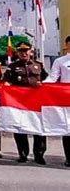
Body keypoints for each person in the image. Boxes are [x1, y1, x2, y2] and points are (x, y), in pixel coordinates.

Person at [3, 41, 49, 165]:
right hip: (19, 103)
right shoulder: (12, 67)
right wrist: (7, 86)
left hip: (36, 103)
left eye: (26, 50)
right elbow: (6, 81)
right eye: (21, 51)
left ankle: (39, 155)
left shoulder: (38, 65)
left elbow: (48, 80)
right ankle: (23, 154)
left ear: (30, 51)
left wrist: (43, 84)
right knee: (20, 128)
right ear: (17, 52)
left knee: (39, 129)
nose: (24, 53)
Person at [43, 35, 70, 167]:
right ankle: (69, 157)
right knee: (67, 129)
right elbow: (53, 78)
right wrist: (43, 85)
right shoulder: (60, 61)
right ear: (66, 45)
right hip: (65, 99)